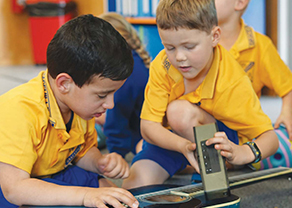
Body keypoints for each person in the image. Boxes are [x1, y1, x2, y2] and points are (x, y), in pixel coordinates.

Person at [122, 0, 278, 189]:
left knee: (179, 112)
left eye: (189, 47)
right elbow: (148, 126)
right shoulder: (161, 65)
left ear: (214, 36)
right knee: (134, 185)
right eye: (170, 48)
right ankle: (189, 163)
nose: (179, 57)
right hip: (176, 140)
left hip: (220, 139)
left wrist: (242, 153)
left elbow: (270, 138)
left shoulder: (232, 80)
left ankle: (217, 166)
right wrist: (183, 146)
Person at [0, 14, 139, 208]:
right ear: (65, 84)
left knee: (103, 188)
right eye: (102, 96)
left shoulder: (79, 105)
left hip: (49, 172)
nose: (110, 105)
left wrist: (99, 162)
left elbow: (80, 150)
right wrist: (84, 195)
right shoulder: (19, 109)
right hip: (11, 183)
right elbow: (14, 189)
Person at [215, 0, 292, 139]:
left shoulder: (260, 46)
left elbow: (288, 86)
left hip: (243, 137)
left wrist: (287, 113)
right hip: (207, 128)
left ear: (240, 2)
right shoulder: (198, 41)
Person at [98, 12, 151, 158]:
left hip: (139, 137)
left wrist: (115, 153)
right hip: (136, 127)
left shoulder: (125, 74)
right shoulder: (137, 62)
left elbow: (117, 120)